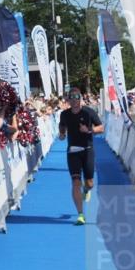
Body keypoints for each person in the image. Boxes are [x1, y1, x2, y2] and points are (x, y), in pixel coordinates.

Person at [58, 88, 104, 225]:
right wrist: (62, 134)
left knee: (89, 183)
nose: (74, 100)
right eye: (71, 97)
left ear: (80, 98)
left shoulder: (88, 112)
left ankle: (86, 190)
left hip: (87, 150)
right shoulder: (64, 114)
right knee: (75, 182)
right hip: (73, 152)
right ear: (68, 100)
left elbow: (101, 128)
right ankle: (80, 214)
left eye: (76, 97)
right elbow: (62, 126)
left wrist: (89, 130)